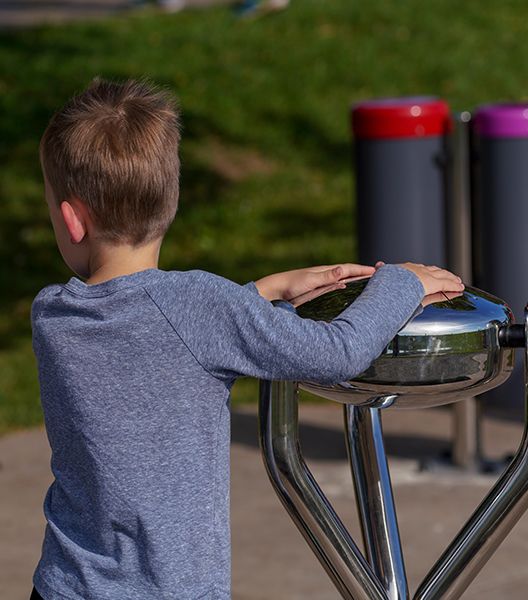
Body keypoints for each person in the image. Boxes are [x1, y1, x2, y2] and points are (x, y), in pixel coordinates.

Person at [30, 78, 464, 600]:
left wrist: (262, 292)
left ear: (72, 220)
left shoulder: (52, 315)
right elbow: (337, 353)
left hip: (65, 586)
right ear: (169, 198)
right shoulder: (199, 305)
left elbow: (157, 334)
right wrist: (400, 283)